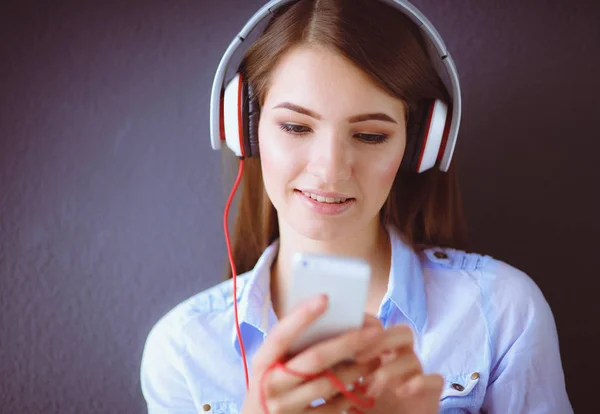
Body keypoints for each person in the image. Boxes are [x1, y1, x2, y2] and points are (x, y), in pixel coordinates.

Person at [140, 0, 573, 413]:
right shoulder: (183, 351)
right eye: (295, 126)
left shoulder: (502, 312)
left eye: (369, 135)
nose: (330, 170)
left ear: (419, 147)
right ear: (245, 128)